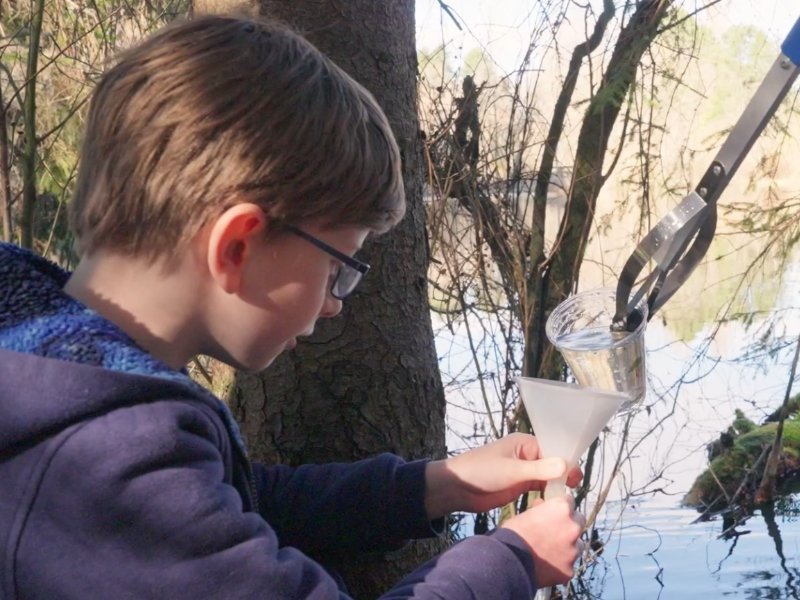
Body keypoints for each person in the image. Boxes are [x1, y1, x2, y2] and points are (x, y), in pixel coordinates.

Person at [0, 15, 585, 599]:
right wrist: (512, 560)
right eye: (337, 269)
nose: (334, 306)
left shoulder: (58, 383)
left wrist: (437, 485)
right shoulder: (113, 461)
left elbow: (235, 502)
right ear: (238, 246)